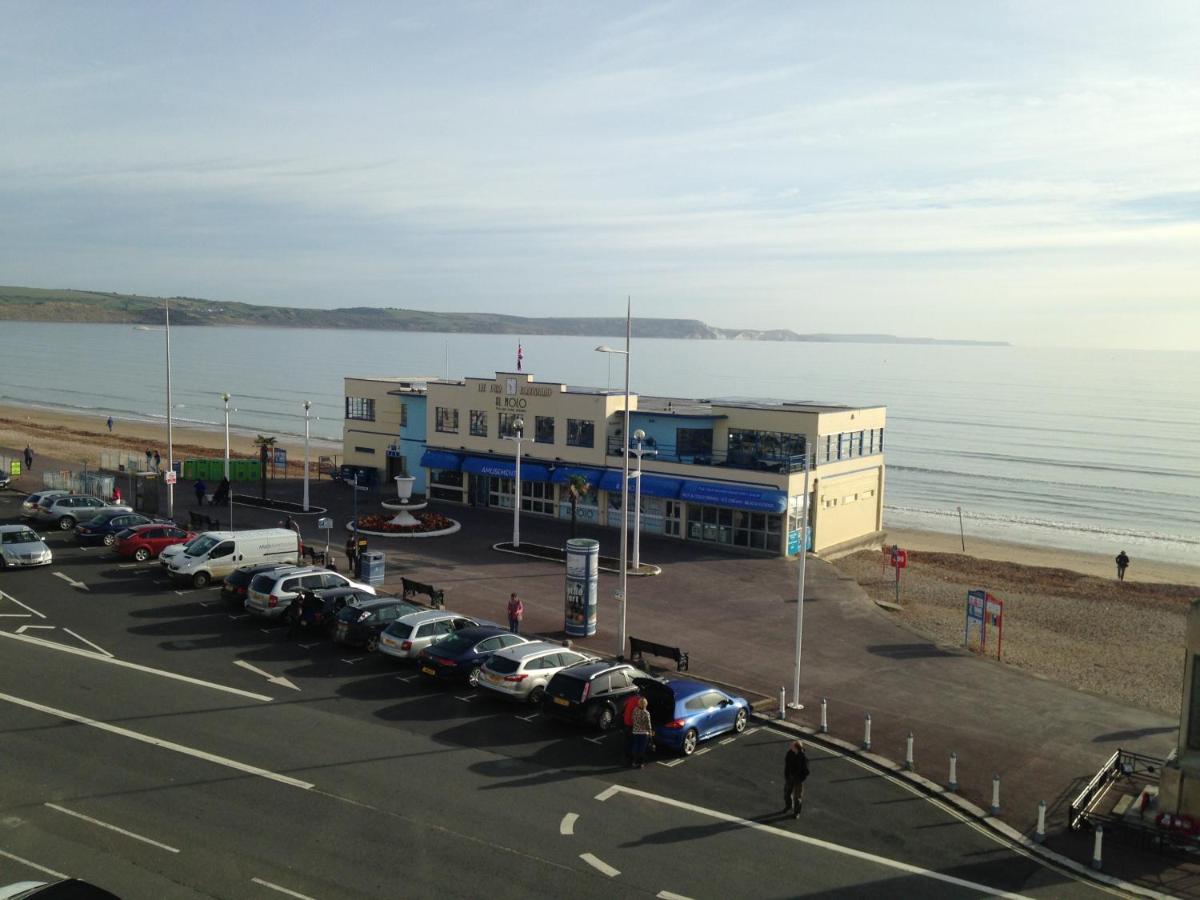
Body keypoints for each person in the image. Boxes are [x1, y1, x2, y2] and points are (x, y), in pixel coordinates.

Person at [784, 740, 810, 818]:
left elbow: (807, 771)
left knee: (797, 797)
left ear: (796, 748)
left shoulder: (804, 758)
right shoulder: (789, 753)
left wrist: (800, 778)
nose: (791, 747)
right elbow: (787, 764)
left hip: (798, 779)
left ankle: (797, 813)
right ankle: (789, 806)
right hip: (790, 777)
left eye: (792, 746)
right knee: (787, 793)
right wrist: (787, 775)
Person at [630, 697, 653, 768]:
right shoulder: (646, 713)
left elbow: (632, 718)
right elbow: (648, 724)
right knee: (642, 748)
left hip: (635, 732)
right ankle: (641, 763)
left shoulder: (635, 710)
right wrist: (650, 733)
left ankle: (634, 762)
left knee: (636, 747)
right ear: (646, 704)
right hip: (644, 733)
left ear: (639, 703)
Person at [622, 689, 642, 766]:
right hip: (634, 726)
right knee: (635, 744)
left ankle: (627, 760)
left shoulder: (630, 699)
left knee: (628, 743)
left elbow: (624, 706)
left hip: (627, 724)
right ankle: (633, 760)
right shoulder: (640, 702)